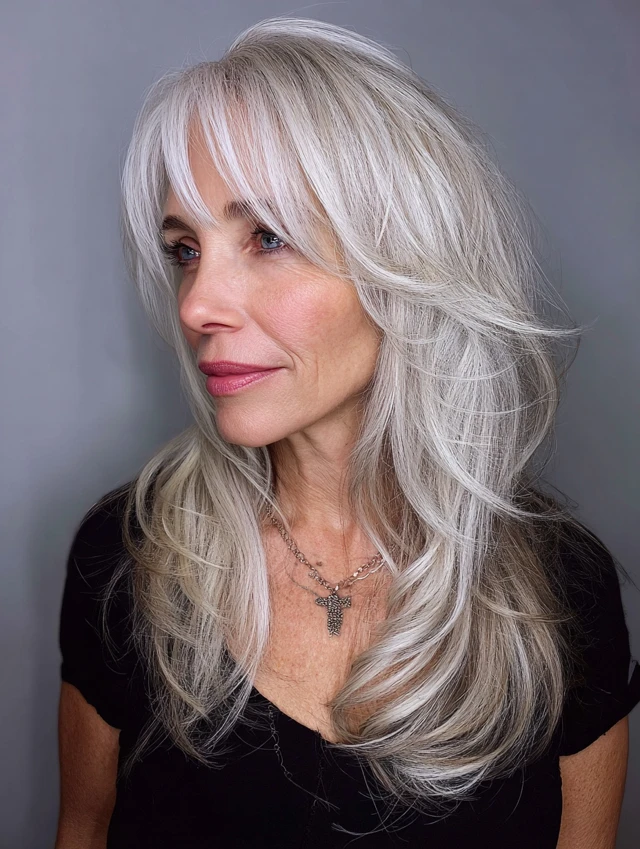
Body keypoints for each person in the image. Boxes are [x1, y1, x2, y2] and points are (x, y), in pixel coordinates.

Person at [55, 16, 640, 849]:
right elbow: (84, 825)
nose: (197, 305)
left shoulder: (558, 592)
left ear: (404, 262)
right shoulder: (128, 560)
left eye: (267, 237)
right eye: (184, 250)